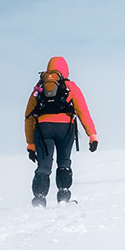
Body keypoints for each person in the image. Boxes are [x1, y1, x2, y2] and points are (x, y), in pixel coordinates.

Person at [24, 58, 96, 206]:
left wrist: (31, 144)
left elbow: (29, 117)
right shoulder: (71, 86)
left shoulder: (39, 88)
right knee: (64, 162)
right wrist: (92, 135)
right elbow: (83, 111)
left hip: (43, 129)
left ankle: (39, 199)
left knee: (44, 165)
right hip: (66, 129)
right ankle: (63, 197)